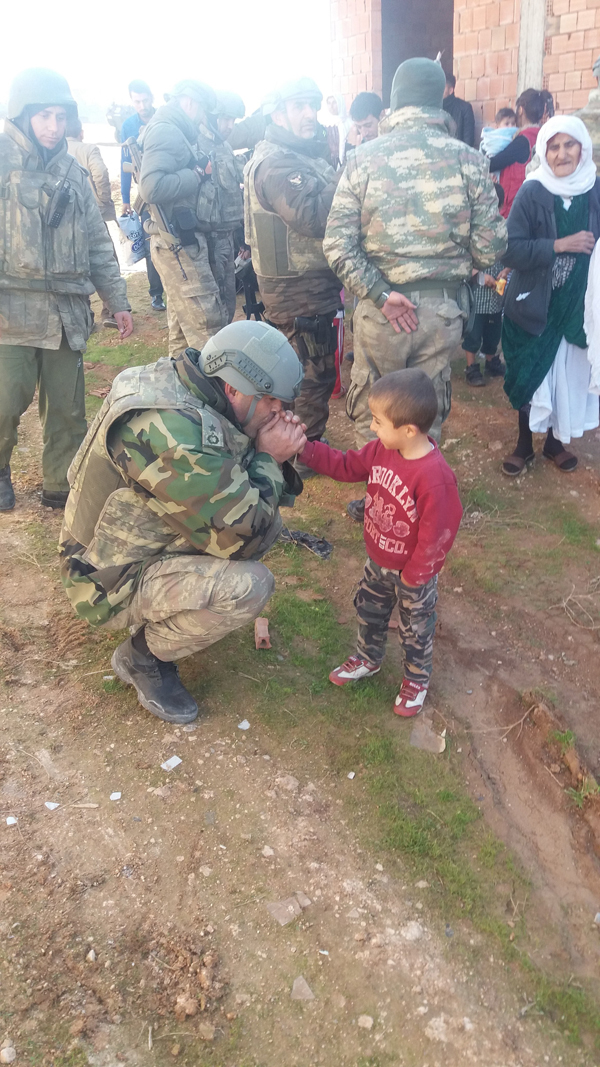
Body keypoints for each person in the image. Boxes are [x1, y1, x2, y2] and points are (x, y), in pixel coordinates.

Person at [58, 320, 305, 723]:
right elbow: (244, 538)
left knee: (264, 528)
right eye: (272, 403)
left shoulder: (189, 386)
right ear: (234, 388)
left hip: (123, 544)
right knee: (248, 586)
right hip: (105, 581)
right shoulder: (170, 431)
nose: (281, 413)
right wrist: (270, 458)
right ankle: (142, 657)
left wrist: (266, 455)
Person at [323, 58, 507, 521]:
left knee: (377, 410)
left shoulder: (363, 157)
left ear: (394, 101)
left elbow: (337, 244)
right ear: (440, 97)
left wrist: (382, 293)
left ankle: (377, 502)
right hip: (442, 311)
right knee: (425, 413)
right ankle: (419, 502)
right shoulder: (469, 159)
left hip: (380, 311)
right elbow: (492, 248)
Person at [0, 68, 133, 514]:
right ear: (22, 116)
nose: (53, 127)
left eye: (60, 117)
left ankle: (61, 481)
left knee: (67, 408)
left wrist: (118, 301)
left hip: (65, 312)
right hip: (10, 311)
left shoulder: (74, 174)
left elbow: (98, 243)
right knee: (7, 398)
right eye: (43, 117)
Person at [297, 369, 462, 715]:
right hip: (377, 561)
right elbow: (345, 466)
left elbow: (437, 536)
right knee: (369, 612)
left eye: (377, 421)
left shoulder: (434, 478)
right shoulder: (380, 451)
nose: (372, 428)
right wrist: (307, 451)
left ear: (408, 430)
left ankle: (416, 678)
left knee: (415, 629)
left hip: (413, 575)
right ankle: (368, 657)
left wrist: (414, 576)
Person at [244, 76, 343, 451]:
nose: (309, 114)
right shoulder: (278, 164)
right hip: (297, 290)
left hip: (308, 286)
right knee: (309, 373)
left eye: (312, 105)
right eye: (299, 106)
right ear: (278, 112)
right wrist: (345, 172)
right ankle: (302, 449)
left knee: (308, 368)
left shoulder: (300, 157)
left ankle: (298, 439)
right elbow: (312, 215)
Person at [501, 116, 600, 476]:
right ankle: (524, 445)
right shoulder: (533, 191)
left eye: (569, 144)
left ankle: (555, 443)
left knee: (568, 376)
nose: (561, 154)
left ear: (582, 148)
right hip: (535, 305)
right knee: (531, 375)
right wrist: (558, 245)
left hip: (577, 308)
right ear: (543, 151)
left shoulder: (594, 189)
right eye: (553, 146)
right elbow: (509, 249)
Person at [139, 79, 242, 357]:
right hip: (177, 242)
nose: (202, 122)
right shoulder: (168, 132)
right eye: (204, 113)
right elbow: (151, 188)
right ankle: (214, 396)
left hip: (181, 241)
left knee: (184, 337)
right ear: (189, 103)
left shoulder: (175, 131)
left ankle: (179, 389)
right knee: (210, 332)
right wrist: (196, 174)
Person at [120, 80, 165, 312]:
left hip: (166, 189)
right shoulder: (128, 126)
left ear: (151, 97)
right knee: (151, 245)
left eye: (145, 100)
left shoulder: (162, 119)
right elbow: (125, 164)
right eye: (137, 101)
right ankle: (156, 294)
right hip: (144, 194)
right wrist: (126, 199)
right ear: (132, 100)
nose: (142, 105)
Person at [489, 88, 544, 218]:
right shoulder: (543, 136)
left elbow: (493, 163)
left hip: (515, 208)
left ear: (520, 110)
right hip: (535, 205)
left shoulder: (522, 140)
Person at [66, 117, 116, 223]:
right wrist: (104, 199)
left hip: (67, 210)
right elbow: (101, 173)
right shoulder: (89, 149)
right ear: (81, 133)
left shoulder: (55, 151)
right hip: (93, 209)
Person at [443, 73, 475, 147]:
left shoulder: (464, 108)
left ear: (450, 90)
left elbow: (468, 141)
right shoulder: (434, 107)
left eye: (442, 87)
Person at [323, 93, 353, 166]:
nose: (331, 106)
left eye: (334, 102)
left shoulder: (349, 123)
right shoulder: (324, 123)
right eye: (329, 103)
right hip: (328, 162)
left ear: (340, 103)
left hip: (347, 161)